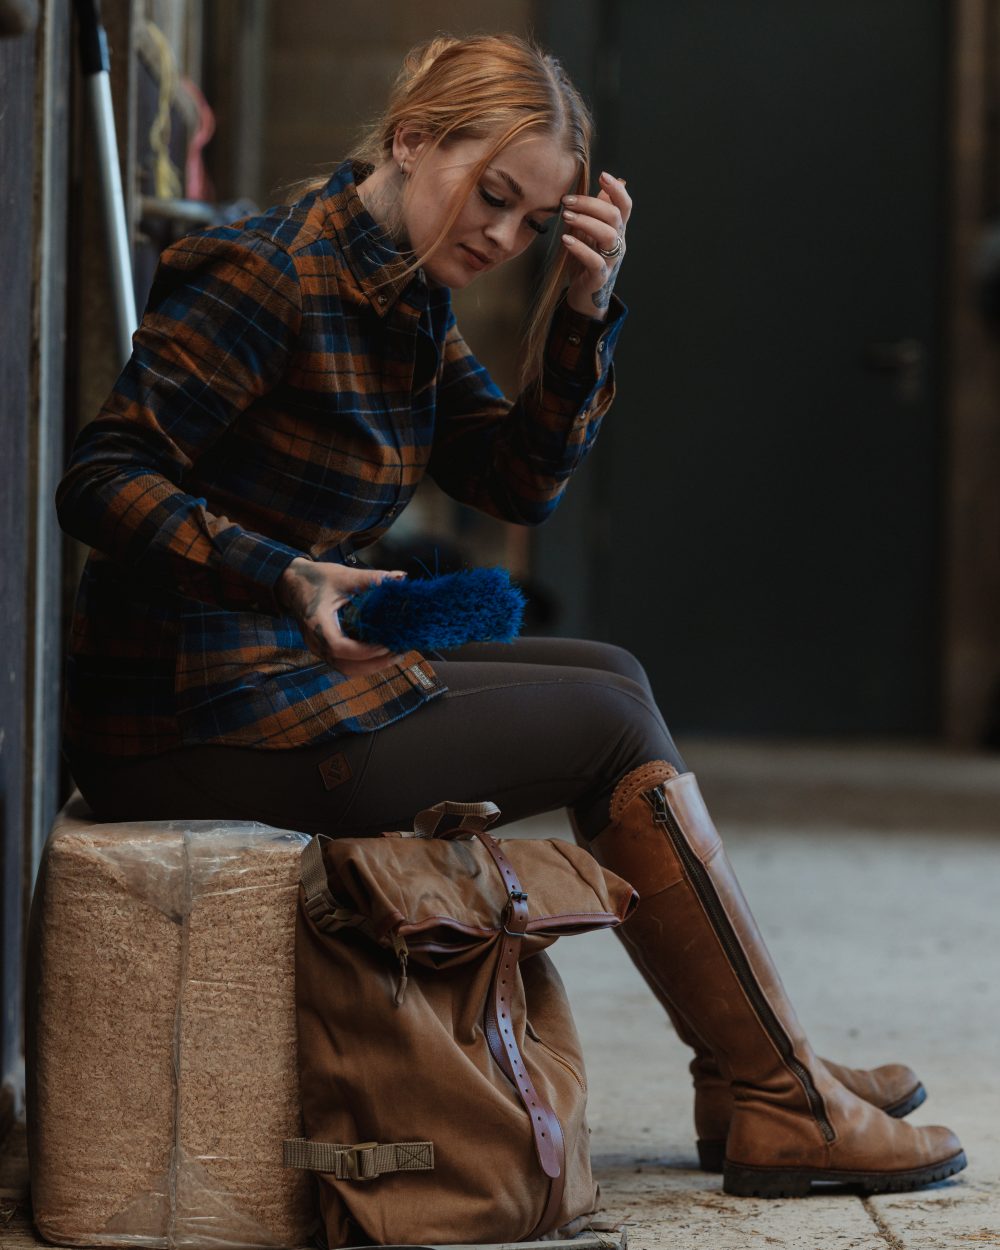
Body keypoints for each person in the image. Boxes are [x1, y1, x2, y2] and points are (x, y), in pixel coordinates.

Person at [56, 32, 965, 1197]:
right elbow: (102, 474)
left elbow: (512, 477)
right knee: (602, 724)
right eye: (492, 195)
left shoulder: (404, 295)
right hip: (193, 715)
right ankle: (779, 1094)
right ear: (411, 138)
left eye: (534, 221)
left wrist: (582, 306)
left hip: (283, 675)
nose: (501, 236)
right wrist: (283, 572)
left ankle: (741, 1068)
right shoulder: (272, 272)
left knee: (613, 675)